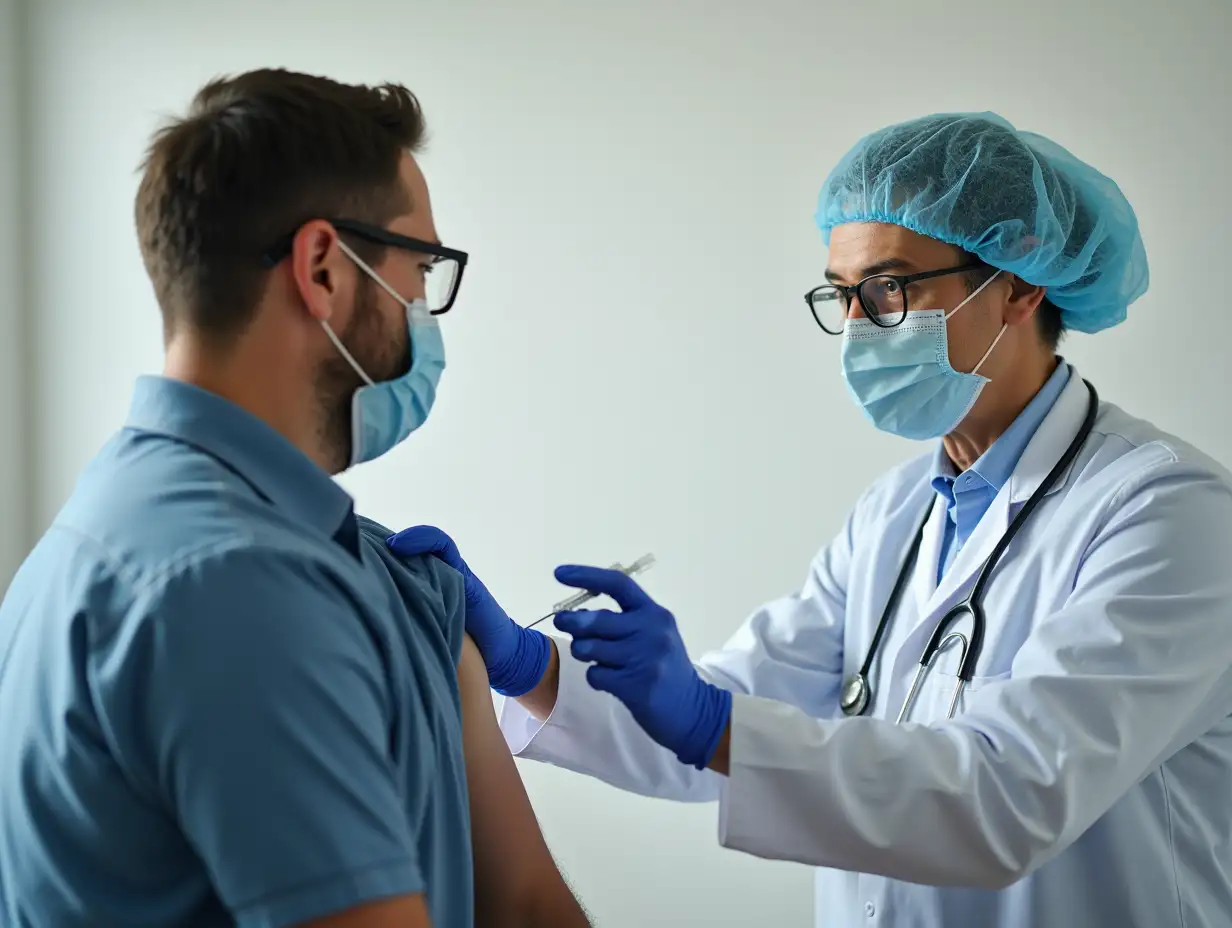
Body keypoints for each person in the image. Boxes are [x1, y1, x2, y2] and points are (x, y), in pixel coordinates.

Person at [390, 112, 1232, 927]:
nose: (858, 326)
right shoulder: (897, 512)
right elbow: (737, 711)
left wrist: (711, 722)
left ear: (1016, 285)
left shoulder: (1167, 515)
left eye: (890, 287)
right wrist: (530, 664)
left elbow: (1009, 796)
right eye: (842, 295)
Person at [0, 69, 590, 928]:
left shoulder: (354, 566)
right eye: (420, 268)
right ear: (322, 267)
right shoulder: (230, 586)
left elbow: (527, 905)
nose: (426, 307)